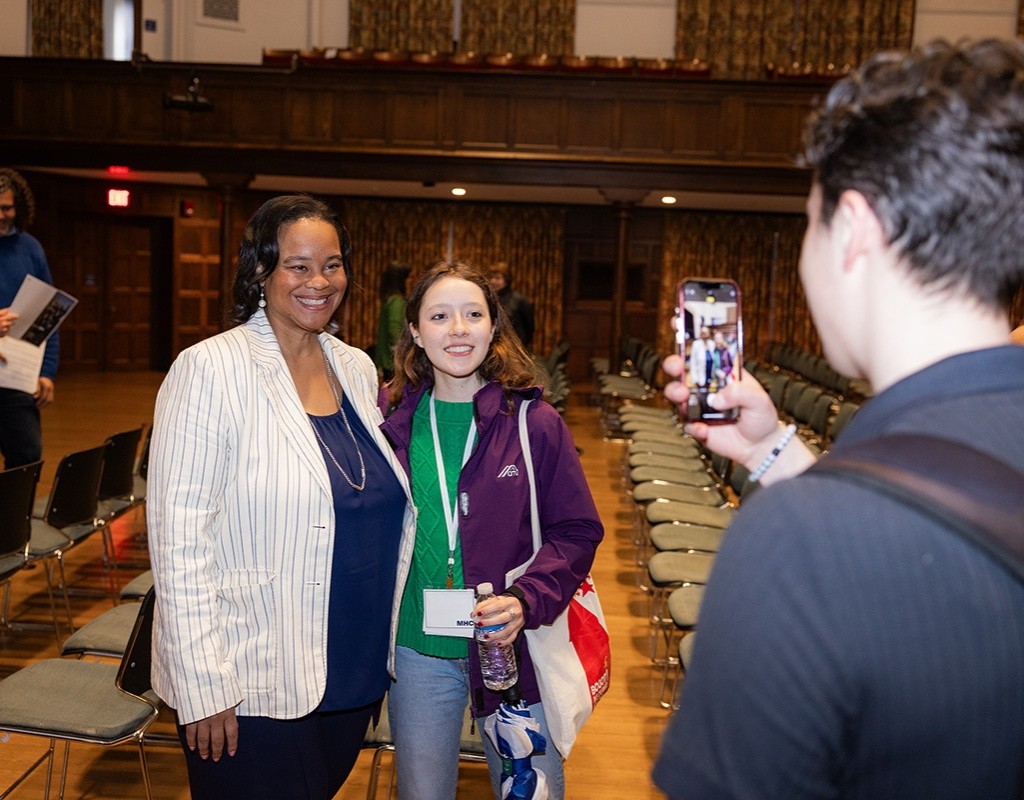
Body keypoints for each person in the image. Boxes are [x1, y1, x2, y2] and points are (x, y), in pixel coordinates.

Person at [653, 38, 1024, 800]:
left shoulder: (799, 542)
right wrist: (776, 453)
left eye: (809, 222)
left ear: (853, 229)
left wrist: (803, 501)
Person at [147, 194, 416, 800]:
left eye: (333, 263)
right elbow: (177, 542)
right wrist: (202, 687)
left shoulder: (354, 368)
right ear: (260, 272)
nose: (319, 281)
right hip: (252, 677)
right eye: (298, 265)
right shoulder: (210, 369)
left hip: (351, 667)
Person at [379, 261, 603, 800]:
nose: (457, 329)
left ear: (493, 326)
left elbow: (576, 530)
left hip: (512, 646)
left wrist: (527, 598)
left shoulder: (534, 422)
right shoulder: (389, 419)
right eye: (439, 315)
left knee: (528, 791)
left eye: (472, 314)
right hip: (419, 649)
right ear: (415, 330)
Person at [0, 168, 58, 468]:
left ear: (18, 207)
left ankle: (14, 517)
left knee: (26, 456)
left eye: (6, 207)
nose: (0, 215)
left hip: (16, 376)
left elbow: (49, 315)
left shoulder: (30, 248)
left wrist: (47, 372)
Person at [375, 259, 412, 380]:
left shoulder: (389, 299)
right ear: (401, 280)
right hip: (393, 362)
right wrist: (404, 357)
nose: (411, 280)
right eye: (408, 277)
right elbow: (394, 331)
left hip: (387, 360)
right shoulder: (396, 302)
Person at [487, 262, 535, 350]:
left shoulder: (519, 300)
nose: (493, 281)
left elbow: (529, 327)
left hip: (515, 350)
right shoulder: (489, 299)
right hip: (495, 349)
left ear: (506, 280)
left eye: (497, 278)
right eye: (491, 277)